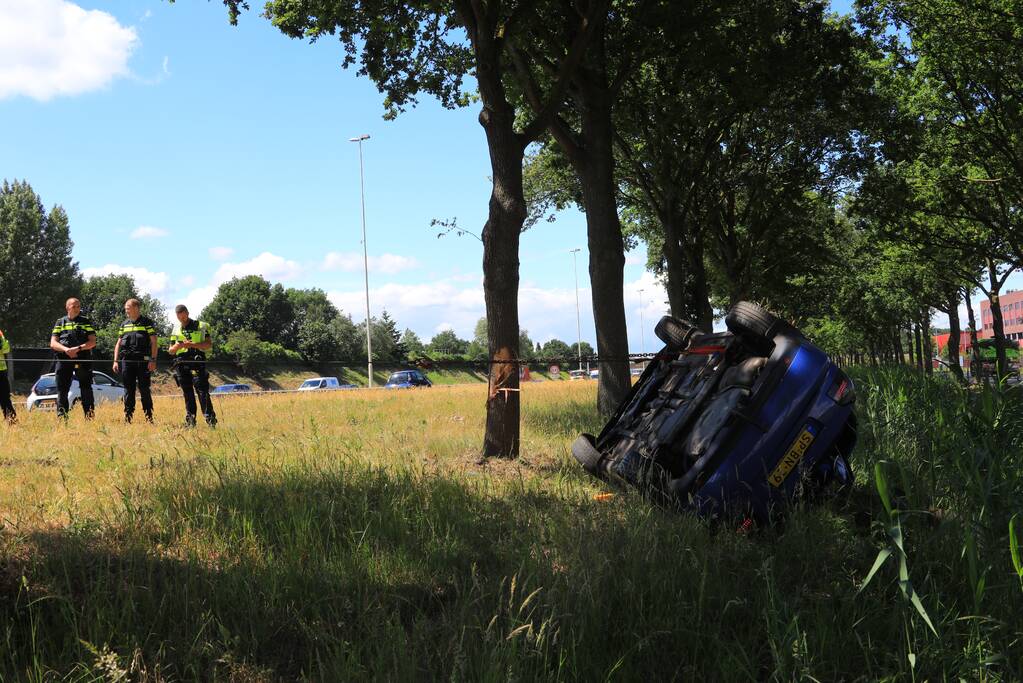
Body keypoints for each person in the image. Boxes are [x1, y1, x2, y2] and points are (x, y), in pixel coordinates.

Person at [168, 304, 217, 427]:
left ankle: (211, 421)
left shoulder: (201, 326)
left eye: (184, 317)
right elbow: (170, 351)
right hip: (181, 363)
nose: (182, 320)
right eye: (179, 318)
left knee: (202, 391)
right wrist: (177, 346)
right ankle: (190, 422)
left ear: (187, 313)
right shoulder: (175, 328)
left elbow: (208, 345)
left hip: (197, 362)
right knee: (187, 393)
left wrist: (192, 345)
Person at [112, 299, 158, 423]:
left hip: (143, 362)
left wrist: (153, 360)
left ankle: (149, 417)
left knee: (144, 389)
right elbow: (118, 344)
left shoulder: (147, 322)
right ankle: (128, 418)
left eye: (128, 307)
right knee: (128, 390)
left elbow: (154, 342)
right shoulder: (124, 324)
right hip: (127, 362)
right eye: (125, 308)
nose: (126, 310)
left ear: (136, 308)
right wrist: (115, 361)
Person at [50, 298, 97, 419]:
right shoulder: (60, 322)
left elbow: (92, 342)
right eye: (74, 306)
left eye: (78, 306)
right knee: (62, 390)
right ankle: (62, 419)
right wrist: (66, 350)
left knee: (86, 388)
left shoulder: (85, 321)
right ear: (67, 308)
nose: (77, 309)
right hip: (63, 360)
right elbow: (53, 343)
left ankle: (90, 418)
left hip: (82, 359)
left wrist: (78, 349)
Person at [0, 327, 15, 423]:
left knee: (5, 398)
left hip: (1, 371)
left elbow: (6, 349)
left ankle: (11, 421)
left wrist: (2, 344)